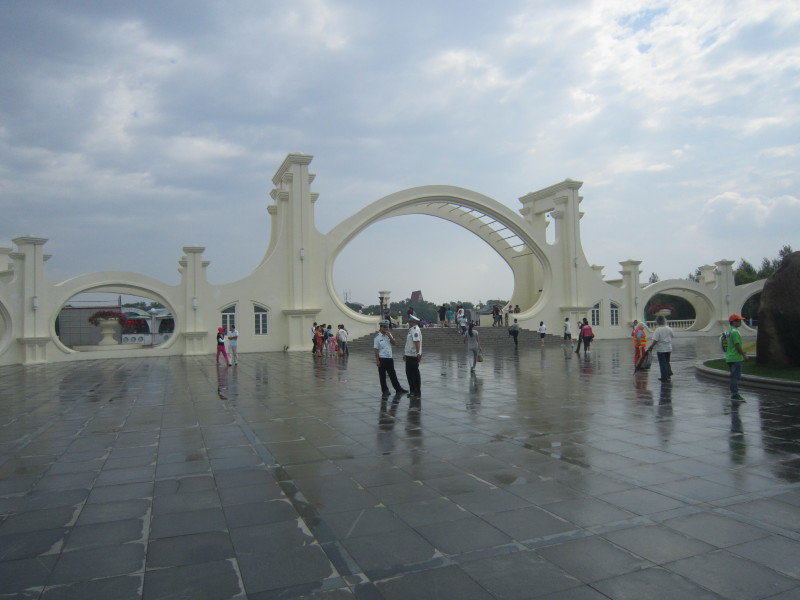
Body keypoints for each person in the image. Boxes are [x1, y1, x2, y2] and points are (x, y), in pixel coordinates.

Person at [373, 320, 407, 396]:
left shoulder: (389, 334)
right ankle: (385, 390)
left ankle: (398, 389)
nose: (386, 328)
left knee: (393, 374)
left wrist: (390, 336)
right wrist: (377, 360)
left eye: (387, 327)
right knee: (382, 376)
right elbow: (376, 349)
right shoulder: (377, 337)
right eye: (384, 327)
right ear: (381, 327)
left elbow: (394, 343)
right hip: (382, 358)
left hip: (389, 357)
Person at [725, 313, 748, 402]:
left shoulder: (729, 331)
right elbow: (737, 345)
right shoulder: (735, 332)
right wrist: (744, 355)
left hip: (730, 357)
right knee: (735, 377)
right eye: (738, 321)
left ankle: (734, 393)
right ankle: (735, 394)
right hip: (735, 357)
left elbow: (730, 344)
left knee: (733, 376)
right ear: (733, 322)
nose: (740, 322)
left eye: (740, 321)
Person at [648, 315, 674, 381]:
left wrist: (651, 347)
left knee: (662, 363)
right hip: (668, 347)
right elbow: (672, 336)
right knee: (667, 362)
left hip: (661, 349)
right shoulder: (669, 328)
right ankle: (668, 374)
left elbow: (655, 340)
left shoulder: (658, 330)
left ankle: (664, 377)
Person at [404, 314, 423, 399]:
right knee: (413, 374)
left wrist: (418, 353)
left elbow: (417, 342)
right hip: (410, 355)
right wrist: (406, 354)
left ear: (413, 322)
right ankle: (415, 391)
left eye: (409, 322)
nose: (409, 323)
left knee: (412, 374)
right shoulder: (412, 329)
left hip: (413, 356)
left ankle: (414, 391)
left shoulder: (415, 330)